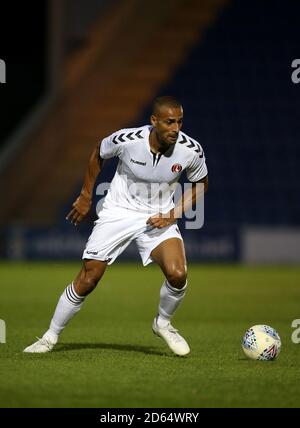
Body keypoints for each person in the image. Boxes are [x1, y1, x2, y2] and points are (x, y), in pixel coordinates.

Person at [23, 96, 208, 356]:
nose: (176, 128)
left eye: (179, 122)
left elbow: (201, 183)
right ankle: (49, 337)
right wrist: (86, 196)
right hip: (118, 212)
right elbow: (98, 153)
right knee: (89, 278)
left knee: (178, 274)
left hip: (157, 216)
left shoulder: (191, 150)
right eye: (169, 122)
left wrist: (173, 213)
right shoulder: (128, 140)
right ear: (154, 121)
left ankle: (163, 323)